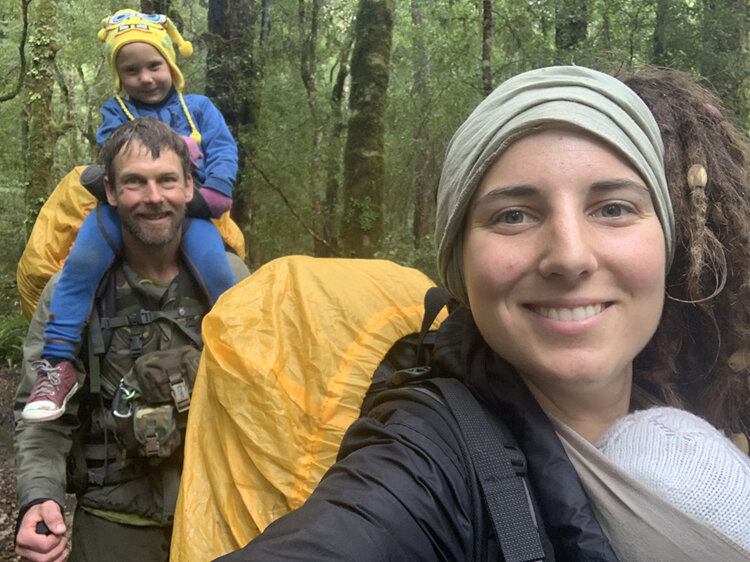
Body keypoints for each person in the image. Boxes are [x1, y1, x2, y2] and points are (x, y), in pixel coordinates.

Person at [218, 66, 750, 561]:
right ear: (459, 265)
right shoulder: (423, 464)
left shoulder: (712, 397)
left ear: (666, 244)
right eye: (514, 215)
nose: (569, 256)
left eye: (613, 208)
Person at [14, 117, 250, 562]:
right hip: (112, 521)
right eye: (135, 183)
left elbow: (269, 391)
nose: (154, 197)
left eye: (166, 181)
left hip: (219, 512)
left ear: (188, 188)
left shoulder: (231, 281)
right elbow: (41, 416)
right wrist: (39, 496)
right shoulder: (71, 294)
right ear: (110, 191)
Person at [21, 9, 239, 422]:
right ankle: (56, 364)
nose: (146, 77)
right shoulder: (114, 110)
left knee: (217, 267)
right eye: (132, 70)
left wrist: (217, 189)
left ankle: (238, 352)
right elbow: (112, 150)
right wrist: (172, 147)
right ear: (121, 77)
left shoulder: (200, 107)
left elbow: (224, 149)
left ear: (171, 66)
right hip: (118, 214)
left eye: (155, 65)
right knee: (81, 266)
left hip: (190, 212)